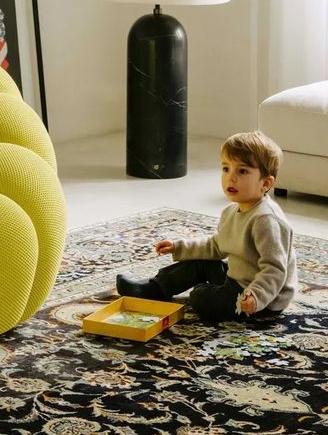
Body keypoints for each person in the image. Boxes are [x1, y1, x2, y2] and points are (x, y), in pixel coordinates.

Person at [116, 131, 297, 322]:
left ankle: (211, 295)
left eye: (242, 171)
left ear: (266, 183)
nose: (231, 178)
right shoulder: (230, 211)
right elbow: (216, 246)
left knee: (200, 297)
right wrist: (179, 247)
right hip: (239, 278)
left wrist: (256, 296)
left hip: (261, 299)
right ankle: (153, 289)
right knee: (200, 264)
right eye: (226, 169)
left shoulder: (266, 220)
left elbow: (275, 269)